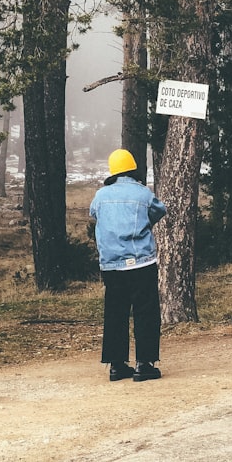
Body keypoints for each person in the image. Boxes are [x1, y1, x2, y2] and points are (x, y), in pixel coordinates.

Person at [90, 148, 167, 382]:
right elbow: (159, 211)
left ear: (112, 172)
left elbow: (94, 214)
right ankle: (144, 364)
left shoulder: (100, 195)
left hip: (111, 265)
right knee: (146, 311)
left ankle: (116, 365)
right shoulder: (143, 194)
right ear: (133, 169)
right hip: (141, 262)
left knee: (115, 312)